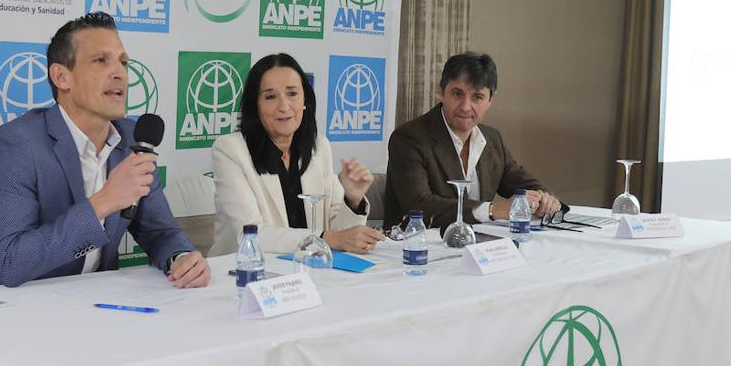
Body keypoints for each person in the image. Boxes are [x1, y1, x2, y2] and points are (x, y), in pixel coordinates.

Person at [0, 12, 210, 289]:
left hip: (89, 306)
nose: (119, 73)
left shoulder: (133, 138)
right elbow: (10, 262)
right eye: (100, 61)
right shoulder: (15, 144)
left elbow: (160, 231)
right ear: (61, 77)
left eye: (123, 62)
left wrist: (179, 258)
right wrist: (104, 201)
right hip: (5, 309)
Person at [210, 53, 384, 256]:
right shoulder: (230, 150)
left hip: (308, 267)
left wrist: (352, 200)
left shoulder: (319, 146)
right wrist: (327, 238)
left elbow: (340, 234)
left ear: (305, 100)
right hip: (244, 270)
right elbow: (250, 232)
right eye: (270, 96)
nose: (284, 106)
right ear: (255, 106)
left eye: (292, 94)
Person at [384, 52, 560, 230]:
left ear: (490, 100)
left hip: (476, 244)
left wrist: (544, 199)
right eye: (457, 93)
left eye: (477, 97)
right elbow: (419, 205)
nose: (466, 106)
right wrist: (493, 210)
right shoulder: (409, 138)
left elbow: (524, 183)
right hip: (414, 246)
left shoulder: (492, 139)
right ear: (441, 92)